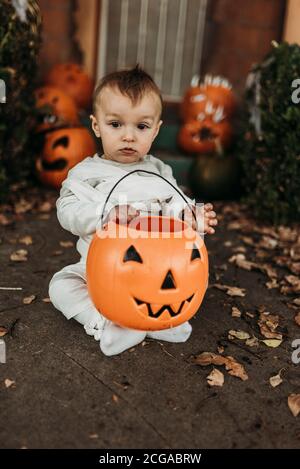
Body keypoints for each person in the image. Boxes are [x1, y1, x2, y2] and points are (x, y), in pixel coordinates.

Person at [49, 65, 217, 356]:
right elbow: (67, 211)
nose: (128, 136)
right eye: (116, 124)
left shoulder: (159, 171)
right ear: (96, 125)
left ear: (156, 130)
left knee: (183, 274)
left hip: (154, 274)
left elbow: (176, 202)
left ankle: (164, 319)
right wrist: (105, 214)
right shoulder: (86, 173)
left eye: (141, 126)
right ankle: (105, 322)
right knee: (61, 286)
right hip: (99, 273)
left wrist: (191, 216)